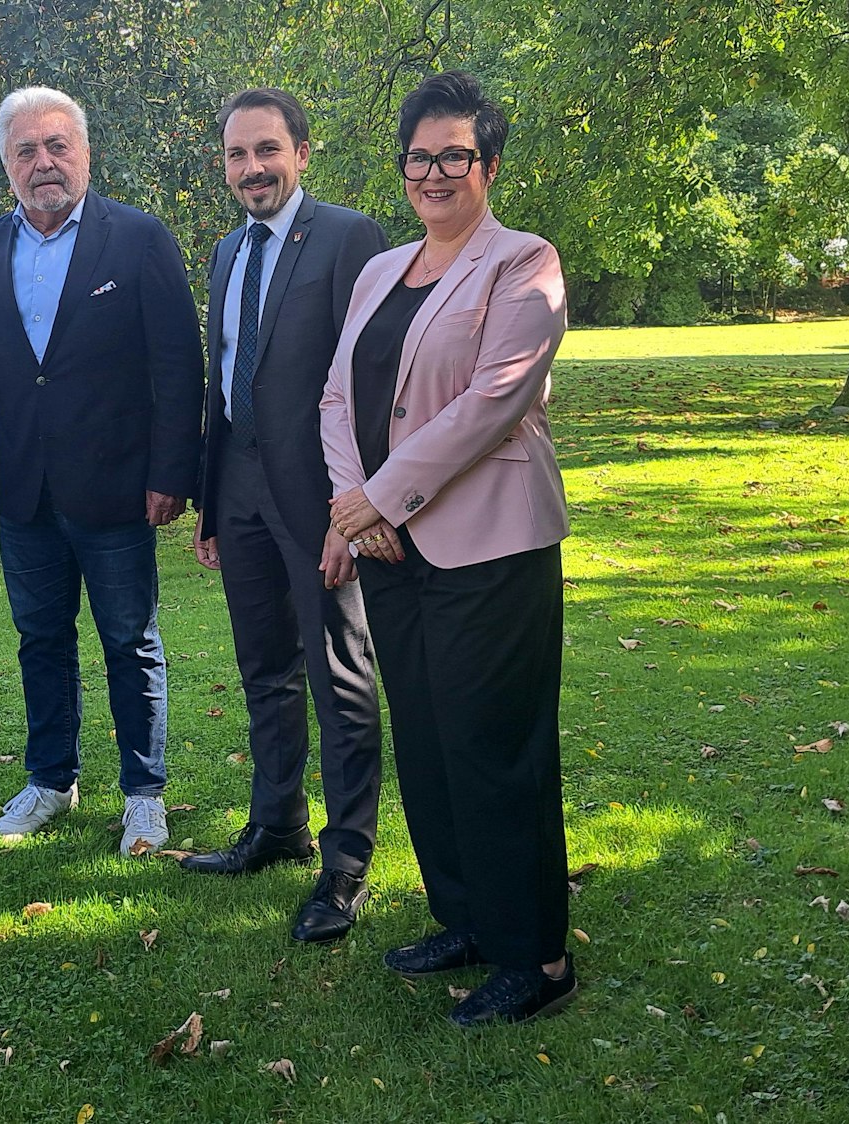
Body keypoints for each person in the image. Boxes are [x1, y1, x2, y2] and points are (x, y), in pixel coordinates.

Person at [320, 72, 577, 1025]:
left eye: (454, 155)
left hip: (489, 549)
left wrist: (380, 496)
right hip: (391, 552)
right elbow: (339, 396)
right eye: (419, 156)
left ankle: (537, 959)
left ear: (489, 164)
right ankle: (466, 918)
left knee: (492, 746)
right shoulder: (381, 271)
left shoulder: (525, 262)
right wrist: (357, 509)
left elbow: (493, 402)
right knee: (426, 741)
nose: (434, 172)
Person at [0, 86, 203, 856]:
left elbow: (176, 366)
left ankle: (144, 794)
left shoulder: (139, 239)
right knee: (39, 639)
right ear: (6, 164)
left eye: (58, 145)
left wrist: (172, 470)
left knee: (131, 639)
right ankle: (51, 780)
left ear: (85, 154)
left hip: (120, 485)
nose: (44, 162)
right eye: (26, 150)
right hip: (24, 489)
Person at [179, 88, 389, 944]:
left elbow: (370, 382)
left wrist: (353, 511)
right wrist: (211, 503)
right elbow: (224, 378)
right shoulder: (228, 250)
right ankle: (277, 826)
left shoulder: (349, 237)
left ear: (303, 153)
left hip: (320, 495)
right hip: (239, 488)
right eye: (237, 155)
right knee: (264, 663)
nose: (252, 168)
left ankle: (345, 865)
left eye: (267, 150)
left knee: (339, 674)